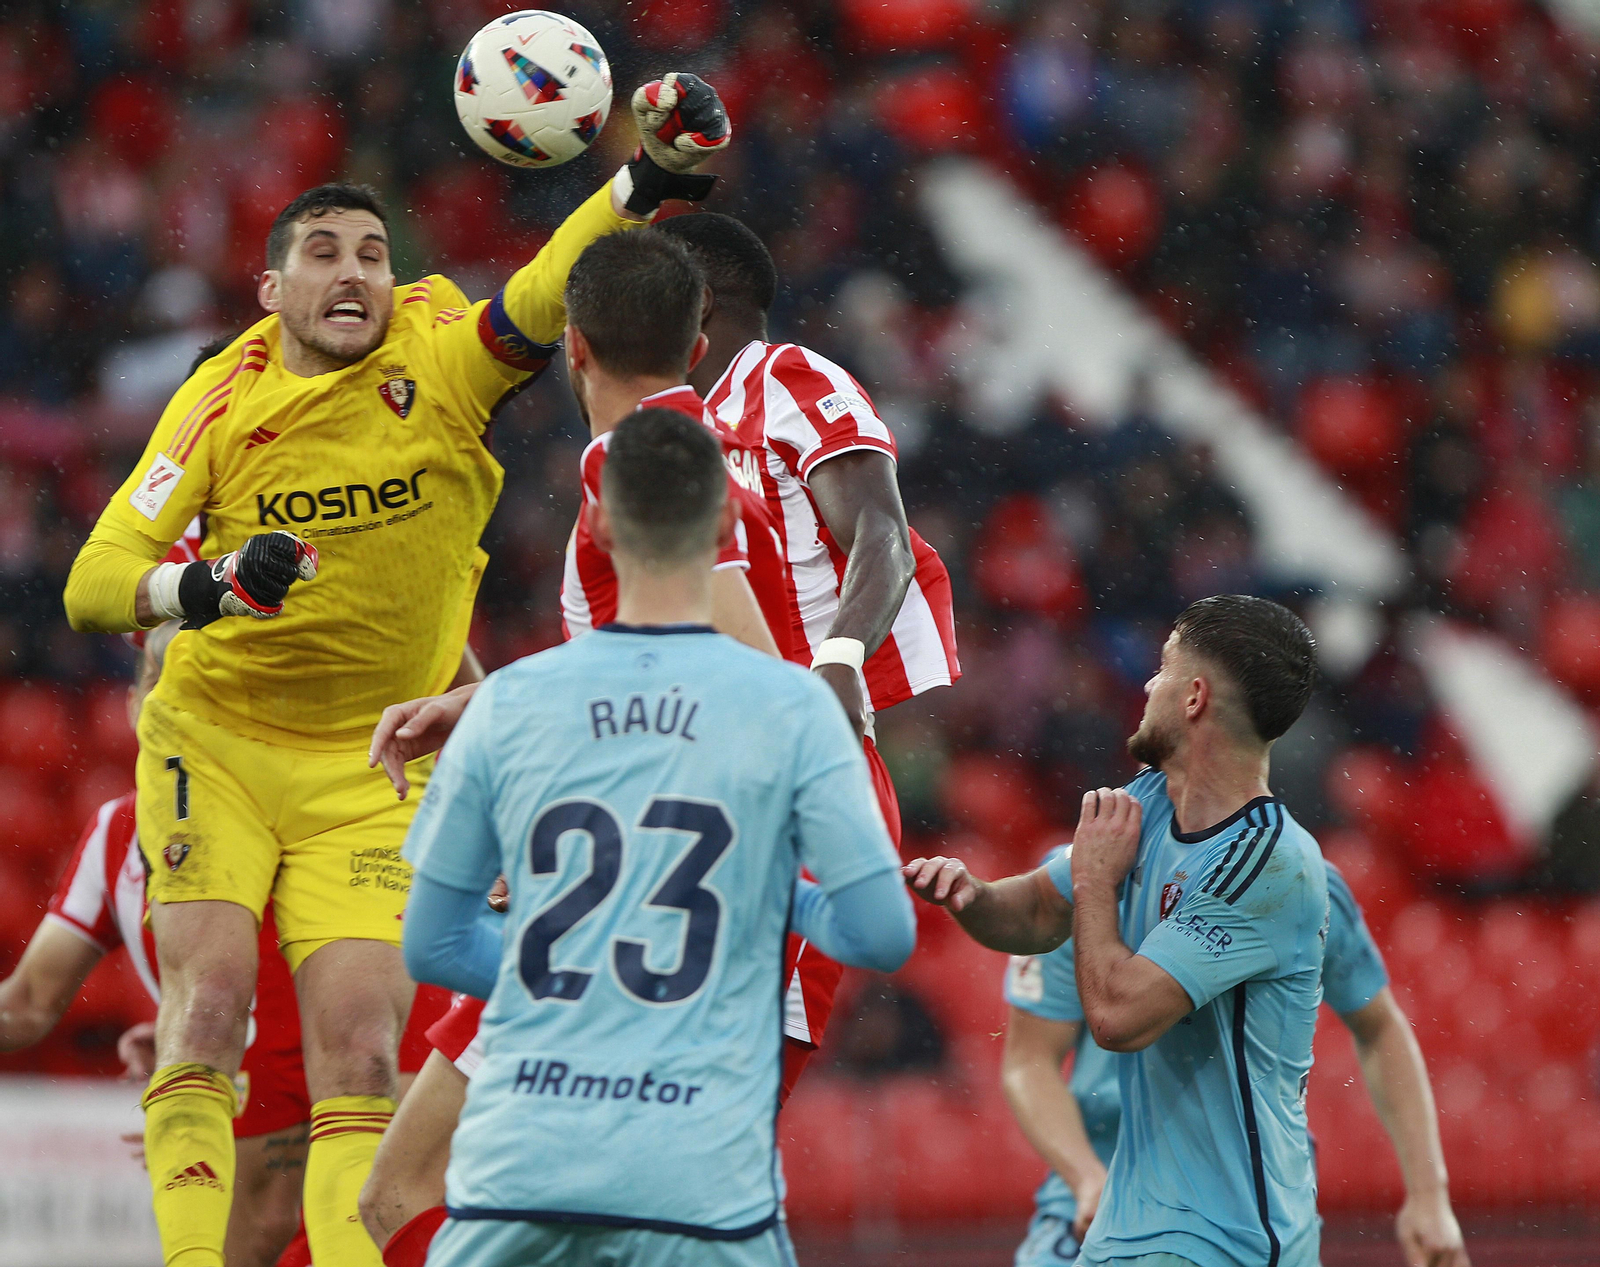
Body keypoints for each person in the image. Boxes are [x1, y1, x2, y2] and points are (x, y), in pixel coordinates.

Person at [61, 74, 732, 1267]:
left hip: (368, 762)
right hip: (214, 744)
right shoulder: (217, 401)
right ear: (271, 291)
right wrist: (206, 588)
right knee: (207, 1008)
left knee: (363, 1052)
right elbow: (95, 576)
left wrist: (646, 181)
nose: (354, 272)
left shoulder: (440, 360)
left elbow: (535, 294)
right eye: (322, 253)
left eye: (371, 252)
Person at [358, 229, 805, 1267]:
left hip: (632, 898)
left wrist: (605, 826)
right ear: (698, 348)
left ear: (571, 348)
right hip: (655, 888)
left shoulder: (646, 457)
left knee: (407, 1190)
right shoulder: (687, 441)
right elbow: (654, 664)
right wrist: (489, 705)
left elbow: (758, 678)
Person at [400, 406, 915, 1267]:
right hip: (700, 1178)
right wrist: (764, 904)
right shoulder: (795, 709)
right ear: (726, 524)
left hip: (519, 1170)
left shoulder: (509, 703)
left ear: (596, 524)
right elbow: (882, 932)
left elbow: (432, 941)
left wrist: (577, 966)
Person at [907, 594, 1328, 1267]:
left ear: (1194, 698)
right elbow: (1044, 912)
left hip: (1226, 1236)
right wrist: (973, 897)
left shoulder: (1267, 861)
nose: (1147, 683)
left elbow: (1118, 1015)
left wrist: (1099, 881)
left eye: (1162, 668)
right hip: (1128, 1228)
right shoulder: (1146, 804)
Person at [654, 210, 961, 1080]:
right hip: (689, 775)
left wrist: (837, 661)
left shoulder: (788, 380)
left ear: (699, 303)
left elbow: (884, 533)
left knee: (733, 1089)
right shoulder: (664, 435)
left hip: (798, 761)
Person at [1001, 851, 1470, 1267]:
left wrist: (1430, 1196)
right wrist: (1086, 1178)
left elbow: (1380, 1026)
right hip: (1101, 1196)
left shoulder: (1300, 881)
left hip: (1251, 1212)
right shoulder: (1084, 877)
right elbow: (1028, 1060)